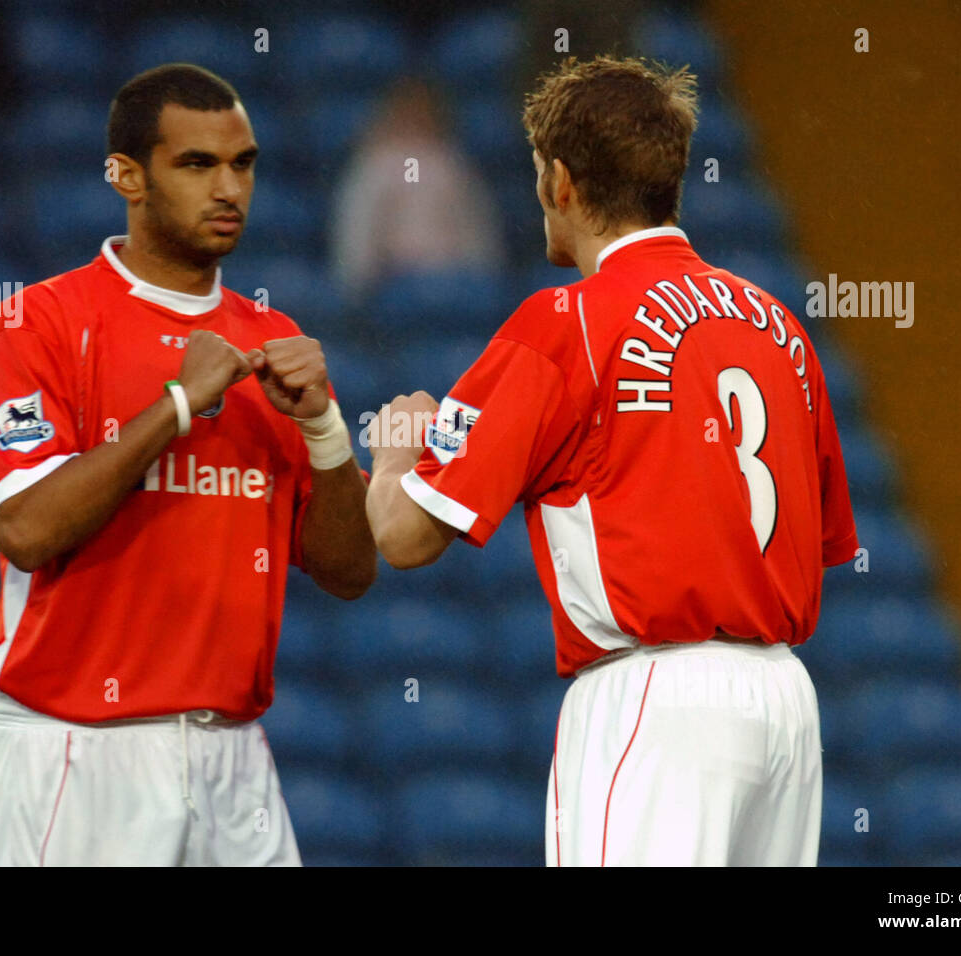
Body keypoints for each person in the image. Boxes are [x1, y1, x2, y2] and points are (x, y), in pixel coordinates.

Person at [364, 55, 857, 866]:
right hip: (783, 702)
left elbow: (408, 536)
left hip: (655, 700)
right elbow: (829, 538)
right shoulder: (778, 325)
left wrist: (395, 457)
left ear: (561, 181)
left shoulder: (566, 320)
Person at [0, 63, 375, 866]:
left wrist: (327, 432)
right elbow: (24, 527)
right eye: (196, 164)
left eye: (243, 163)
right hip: (80, 754)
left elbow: (349, 569)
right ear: (127, 175)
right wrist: (179, 408)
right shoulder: (40, 323)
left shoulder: (271, 338)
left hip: (235, 756)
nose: (229, 188)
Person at [329, 76, 505, 304]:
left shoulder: (451, 163)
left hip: (453, 279)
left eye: (423, 111)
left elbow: (475, 227)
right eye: (409, 111)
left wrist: (482, 282)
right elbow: (358, 226)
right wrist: (357, 284)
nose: (416, 118)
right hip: (395, 282)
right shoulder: (375, 165)